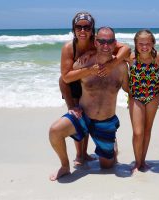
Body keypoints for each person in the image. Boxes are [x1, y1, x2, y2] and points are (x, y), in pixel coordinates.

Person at [49, 26, 129, 181]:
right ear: (96, 42)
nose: (106, 45)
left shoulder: (121, 67)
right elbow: (64, 79)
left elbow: (128, 90)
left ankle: (111, 146)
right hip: (83, 116)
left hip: (105, 121)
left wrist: (149, 96)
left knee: (107, 166)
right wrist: (72, 107)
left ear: (115, 44)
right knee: (55, 131)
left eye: (110, 41)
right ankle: (65, 166)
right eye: (102, 41)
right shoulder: (83, 63)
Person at [126, 30, 159, 173]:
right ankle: (137, 162)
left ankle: (143, 161)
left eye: (148, 43)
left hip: (153, 97)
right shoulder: (130, 58)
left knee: (147, 130)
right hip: (136, 97)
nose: (144, 47)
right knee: (138, 132)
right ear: (135, 44)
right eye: (140, 44)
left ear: (153, 43)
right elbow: (113, 55)